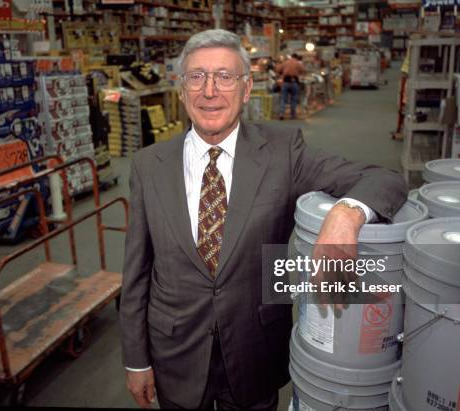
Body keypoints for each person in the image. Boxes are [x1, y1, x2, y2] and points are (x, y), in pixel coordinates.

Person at [120, 29, 407, 410]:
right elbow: (136, 276)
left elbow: (384, 179)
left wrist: (346, 214)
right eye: (196, 77)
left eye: (224, 76)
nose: (209, 91)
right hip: (176, 354)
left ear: (246, 87)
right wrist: (135, 360)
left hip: (254, 351)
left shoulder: (282, 152)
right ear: (181, 88)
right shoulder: (147, 166)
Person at [276, 53, 306, 120]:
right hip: (294, 82)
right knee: (294, 99)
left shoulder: (285, 62)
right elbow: (303, 70)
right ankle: (293, 115)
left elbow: (278, 70)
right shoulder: (298, 63)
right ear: (296, 57)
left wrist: (282, 73)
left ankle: (281, 114)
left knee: (283, 99)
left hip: (286, 82)